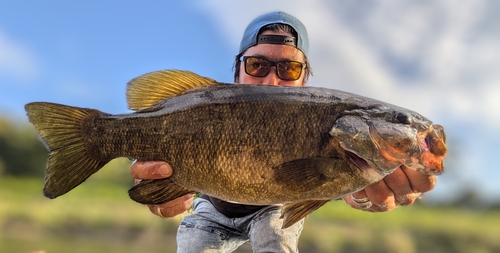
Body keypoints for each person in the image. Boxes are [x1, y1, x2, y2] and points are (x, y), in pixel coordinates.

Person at [130, 11, 437, 252]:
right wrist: (160, 188)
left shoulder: (334, 131)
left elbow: (345, 190)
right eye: (256, 65)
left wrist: (366, 196)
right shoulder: (197, 107)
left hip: (275, 210)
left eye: (288, 69)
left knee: (276, 237)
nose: (271, 81)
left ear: (305, 81)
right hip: (210, 207)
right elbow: (158, 178)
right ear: (236, 70)